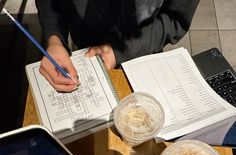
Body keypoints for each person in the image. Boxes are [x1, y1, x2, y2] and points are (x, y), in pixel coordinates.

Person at [35, 0, 199, 92]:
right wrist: (54, 40)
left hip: (144, 56)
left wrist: (121, 51)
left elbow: (175, 20)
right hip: (85, 57)